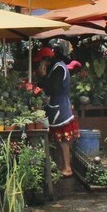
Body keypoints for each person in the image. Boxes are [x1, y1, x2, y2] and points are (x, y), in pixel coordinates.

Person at [34, 46, 79, 177]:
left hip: (61, 108)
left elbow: (51, 88)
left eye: (42, 62)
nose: (41, 64)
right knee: (58, 139)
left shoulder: (59, 69)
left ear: (47, 60)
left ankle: (67, 167)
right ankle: (62, 166)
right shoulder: (56, 68)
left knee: (63, 139)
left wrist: (43, 76)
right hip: (56, 106)